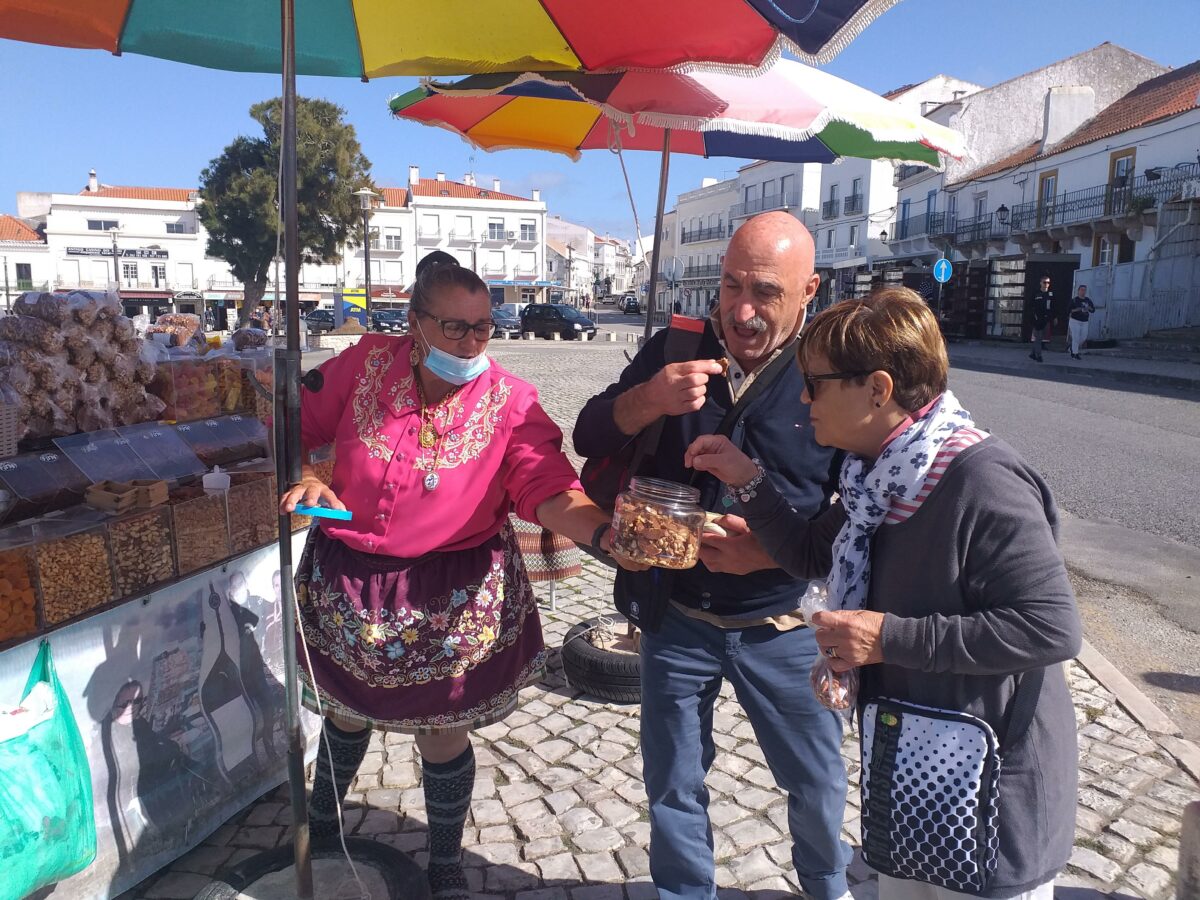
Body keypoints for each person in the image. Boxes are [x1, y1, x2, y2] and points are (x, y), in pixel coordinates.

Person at [685, 287, 1082, 900]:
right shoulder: (876, 473)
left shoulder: (980, 478)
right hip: (914, 764)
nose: (802, 396)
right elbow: (813, 552)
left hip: (989, 784)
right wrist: (747, 479)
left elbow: (1051, 627)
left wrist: (886, 637)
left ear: (877, 388)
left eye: (815, 382)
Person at [280, 252, 640, 900]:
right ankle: (321, 825)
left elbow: (545, 483)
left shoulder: (510, 400)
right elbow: (297, 425)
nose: (472, 342)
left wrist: (606, 534)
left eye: (484, 327)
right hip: (350, 582)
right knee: (344, 713)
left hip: (450, 593)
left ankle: (444, 859)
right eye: (455, 328)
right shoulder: (362, 363)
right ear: (414, 323)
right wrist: (312, 474)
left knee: (442, 732)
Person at [574, 211, 851, 900]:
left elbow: (862, 510)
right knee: (671, 782)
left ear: (809, 289)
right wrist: (650, 398)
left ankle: (827, 887)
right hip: (677, 619)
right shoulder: (676, 344)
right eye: (730, 286)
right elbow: (588, 433)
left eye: (764, 291)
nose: (742, 310)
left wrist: (773, 554)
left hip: (783, 625)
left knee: (815, 783)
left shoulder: (832, 369)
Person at [1028, 275, 1053, 361]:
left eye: (1048, 282)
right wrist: (1033, 317)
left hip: (1047, 318)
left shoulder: (1051, 294)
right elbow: (1030, 306)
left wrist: (1055, 316)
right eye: (1044, 282)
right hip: (1037, 318)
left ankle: (1032, 353)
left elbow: (1054, 306)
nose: (1046, 284)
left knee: (1041, 338)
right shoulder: (1036, 293)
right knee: (1038, 337)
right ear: (1040, 283)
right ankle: (1039, 355)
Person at [1068, 284, 1095, 359]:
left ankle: (1072, 348)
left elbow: (1093, 310)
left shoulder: (1088, 300)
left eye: (1084, 290)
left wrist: (1089, 308)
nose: (1083, 291)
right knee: (1076, 337)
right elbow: (1069, 310)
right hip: (1075, 321)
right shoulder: (1074, 300)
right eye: (1081, 290)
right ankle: (1075, 354)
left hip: (1084, 321)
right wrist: (1078, 309)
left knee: (1083, 337)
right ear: (1078, 291)